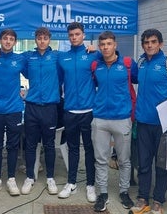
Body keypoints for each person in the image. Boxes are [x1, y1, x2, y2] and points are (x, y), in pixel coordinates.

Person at [129, 29, 167, 214]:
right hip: (143, 122)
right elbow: (132, 77)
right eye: (146, 42)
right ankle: (143, 198)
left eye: (153, 42)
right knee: (143, 164)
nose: (149, 45)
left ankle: (159, 200)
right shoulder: (142, 63)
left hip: (164, 124)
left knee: (161, 165)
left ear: (160, 43)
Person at [90, 31, 137, 212]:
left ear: (115, 45)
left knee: (124, 160)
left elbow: (139, 80)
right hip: (100, 118)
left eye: (109, 44)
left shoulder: (127, 64)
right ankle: (102, 194)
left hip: (122, 118)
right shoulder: (96, 65)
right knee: (100, 159)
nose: (105, 47)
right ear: (99, 46)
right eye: (102, 45)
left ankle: (124, 191)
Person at [57, 22, 98, 203]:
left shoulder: (93, 55)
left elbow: (112, 59)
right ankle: (71, 182)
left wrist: (95, 49)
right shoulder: (63, 58)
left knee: (89, 149)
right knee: (72, 148)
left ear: (83, 35)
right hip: (70, 110)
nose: (74, 37)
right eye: (71, 35)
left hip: (89, 110)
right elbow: (57, 81)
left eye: (77, 34)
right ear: (68, 37)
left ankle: (90, 184)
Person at [0, 29, 26, 196]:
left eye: (11, 39)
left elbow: (35, 68)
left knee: (13, 145)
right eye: (5, 39)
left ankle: (11, 179)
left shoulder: (20, 59)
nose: (8, 41)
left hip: (14, 109)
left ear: (15, 42)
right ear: (0, 40)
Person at [19, 27, 60, 195]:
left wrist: (92, 49)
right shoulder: (28, 57)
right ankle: (30, 177)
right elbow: (10, 58)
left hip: (50, 108)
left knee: (49, 145)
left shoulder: (57, 57)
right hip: (32, 108)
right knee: (30, 144)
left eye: (45, 38)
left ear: (49, 39)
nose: (42, 41)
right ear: (35, 39)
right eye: (39, 38)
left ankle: (50, 178)